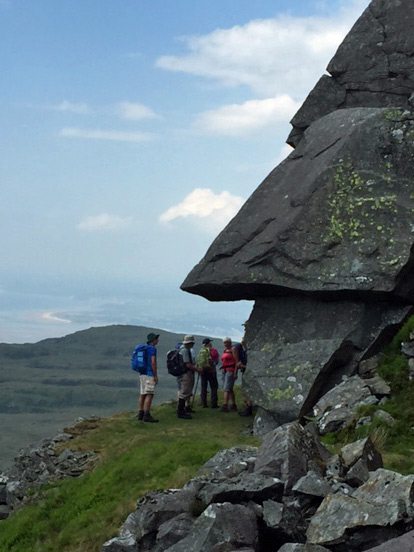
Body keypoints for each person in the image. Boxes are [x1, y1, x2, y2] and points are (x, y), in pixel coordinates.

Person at [177, 335, 201, 419]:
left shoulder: (181, 349)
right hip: (186, 373)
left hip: (182, 373)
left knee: (184, 392)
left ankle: (183, 410)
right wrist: (197, 369)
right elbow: (188, 364)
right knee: (185, 392)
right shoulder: (185, 351)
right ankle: (181, 412)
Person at [137, 332, 159, 423]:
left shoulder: (144, 348)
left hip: (142, 373)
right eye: (156, 339)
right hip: (149, 374)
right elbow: (153, 362)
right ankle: (147, 414)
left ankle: (140, 413)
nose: (157, 340)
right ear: (153, 340)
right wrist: (155, 375)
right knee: (150, 394)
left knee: (142, 394)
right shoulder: (152, 349)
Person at [197, 338, 219, 408]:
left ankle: (203, 403)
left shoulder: (201, 351)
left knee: (204, 387)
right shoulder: (213, 351)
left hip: (203, 370)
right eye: (210, 342)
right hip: (211, 370)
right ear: (208, 343)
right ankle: (214, 403)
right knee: (214, 386)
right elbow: (216, 360)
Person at [220, 337, 239, 412]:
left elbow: (236, 361)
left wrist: (235, 372)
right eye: (224, 343)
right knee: (229, 388)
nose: (225, 344)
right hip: (224, 370)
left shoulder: (233, 349)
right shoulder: (225, 350)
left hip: (230, 370)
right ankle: (233, 405)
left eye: (227, 342)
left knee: (226, 388)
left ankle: (225, 405)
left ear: (230, 342)